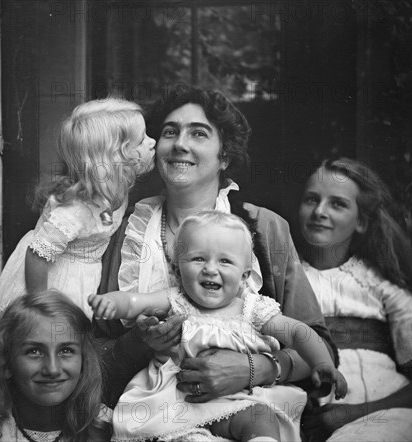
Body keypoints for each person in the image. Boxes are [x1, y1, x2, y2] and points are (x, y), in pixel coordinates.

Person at [97, 85, 337, 429]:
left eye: (198, 133)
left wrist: (254, 369)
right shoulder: (125, 233)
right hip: (152, 418)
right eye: (169, 132)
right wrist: (138, 343)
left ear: (224, 156)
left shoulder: (264, 228)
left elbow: (317, 344)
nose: (180, 143)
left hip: (248, 416)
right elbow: (89, 353)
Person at [90, 211, 346, 442]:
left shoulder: (252, 309)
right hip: (177, 401)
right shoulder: (176, 301)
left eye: (225, 261)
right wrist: (112, 303)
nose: (210, 269)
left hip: (239, 400)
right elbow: (135, 302)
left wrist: (322, 363)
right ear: (178, 271)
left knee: (261, 419)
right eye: (199, 259)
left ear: (245, 276)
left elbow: (298, 332)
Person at [0, 98, 156, 331]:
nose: (153, 142)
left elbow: (104, 220)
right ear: (117, 158)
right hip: (53, 282)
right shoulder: (76, 210)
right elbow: (37, 254)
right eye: (142, 140)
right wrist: (41, 306)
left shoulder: (114, 189)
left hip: (82, 276)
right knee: (42, 337)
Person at [296, 158, 412, 441]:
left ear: (361, 222)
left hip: (382, 414)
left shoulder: (383, 288)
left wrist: (354, 413)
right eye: (312, 199)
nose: (319, 211)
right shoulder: (282, 278)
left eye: (337, 204)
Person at [0, 290, 112, 441]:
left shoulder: (108, 427)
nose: (52, 369)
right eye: (35, 352)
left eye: (66, 350)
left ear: (84, 360)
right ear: (6, 363)